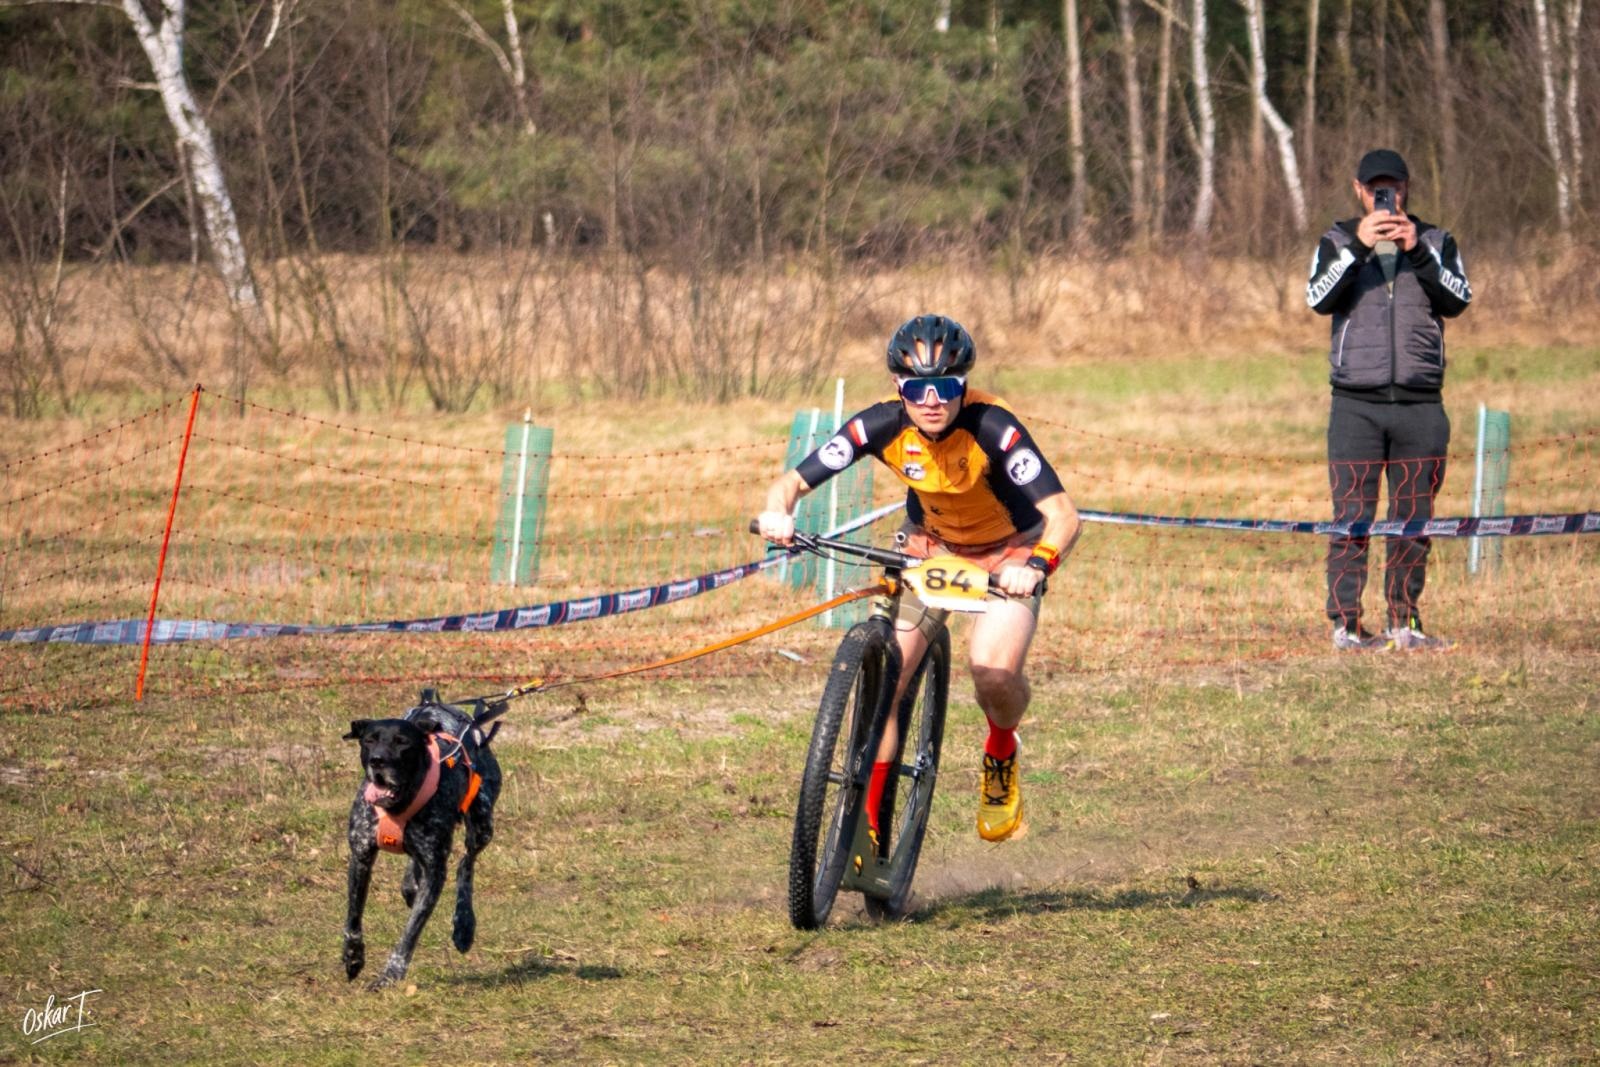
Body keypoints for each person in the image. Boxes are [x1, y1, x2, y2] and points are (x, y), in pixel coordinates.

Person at [758, 314, 1080, 843]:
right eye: (916, 389)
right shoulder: (879, 425)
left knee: (993, 673)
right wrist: (778, 514)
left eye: (946, 388)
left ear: (964, 386)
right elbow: (791, 483)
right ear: (897, 387)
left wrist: (1036, 566)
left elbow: (1064, 517)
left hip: (1009, 554)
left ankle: (1001, 750)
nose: (932, 401)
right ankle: (867, 826)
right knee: (889, 677)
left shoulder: (994, 427)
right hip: (930, 548)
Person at [1305, 148, 1472, 651]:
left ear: (1407, 188)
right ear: (1358, 190)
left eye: (1393, 188)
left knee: (1413, 521)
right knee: (1351, 520)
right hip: (1355, 404)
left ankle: (1405, 621)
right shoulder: (1336, 240)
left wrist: (1416, 249)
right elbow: (1318, 299)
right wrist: (1359, 246)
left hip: (1422, 404)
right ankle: (1347, 626)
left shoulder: (1437, 241)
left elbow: (1458, 299)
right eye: (1376, 188)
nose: (1386, 197)